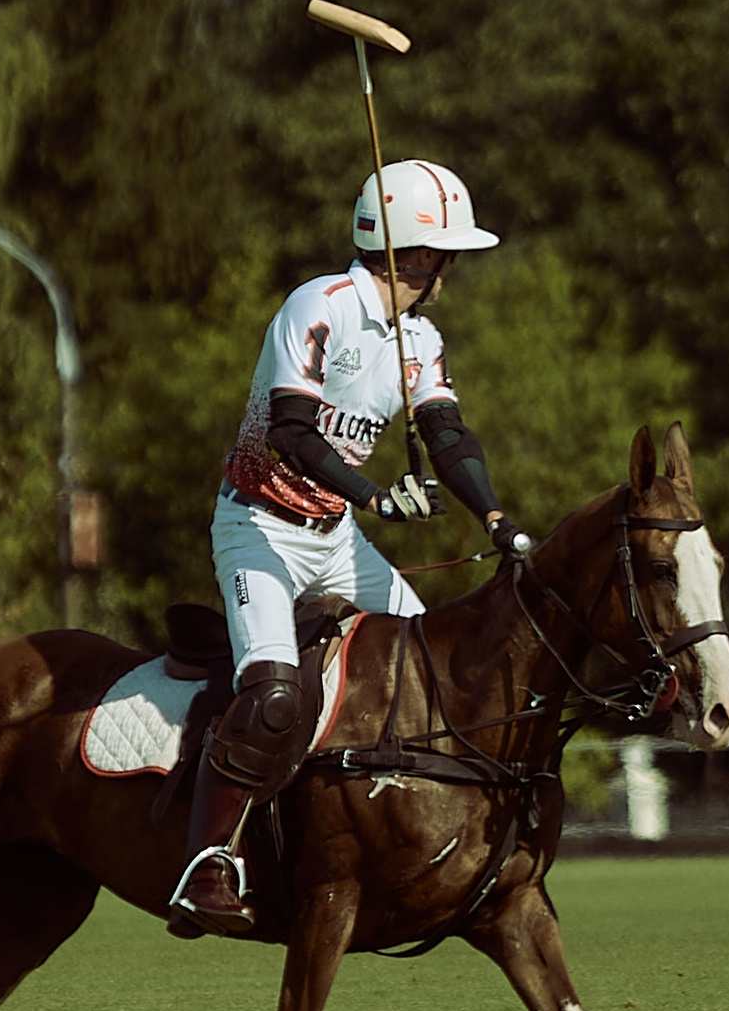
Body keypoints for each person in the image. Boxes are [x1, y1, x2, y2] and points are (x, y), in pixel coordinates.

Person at [169, 159, 536, 935]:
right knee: (271, 694)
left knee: (428, 668)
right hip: (259, 528)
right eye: (447, 257)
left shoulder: (420, 339)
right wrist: (376, 495)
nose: (451, 273)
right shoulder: (318, 307)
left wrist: (497, 519)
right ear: (417, 254)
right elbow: (292, 429)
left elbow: (447, 434)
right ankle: (207, 862)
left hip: (335, 539)